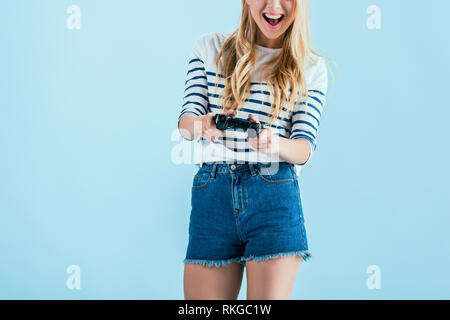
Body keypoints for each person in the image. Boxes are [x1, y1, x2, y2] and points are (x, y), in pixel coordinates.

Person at [177, 0, 329, 300]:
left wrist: (273, 143)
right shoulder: (208, 48)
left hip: (274, 197)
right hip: (213, 194)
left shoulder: (311, 67)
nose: (273, 6)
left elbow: (303, 148)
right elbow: (185, 124)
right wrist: (204, 125)